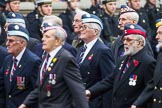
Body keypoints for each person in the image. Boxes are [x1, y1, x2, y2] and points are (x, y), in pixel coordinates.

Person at [86, 24, 156, 108]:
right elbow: (110, 80)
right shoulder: (123, 59)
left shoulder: (148, 62)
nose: (125, 43)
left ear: (139, 43)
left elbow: (150, 89)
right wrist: (90, 91)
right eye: (124, 39)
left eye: (129, 40)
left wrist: (137, 104)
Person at [19, 25, 89, 108]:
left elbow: (77, 89)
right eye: (43, 36)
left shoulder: (66, 58)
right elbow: (40, 86)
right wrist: (25, 103)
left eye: (47, 37)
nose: (43, 39)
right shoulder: (46, 57)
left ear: (58, 41)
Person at [76, 13, 115, 108]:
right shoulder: (81, 49)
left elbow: (109, 79)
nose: (81, 30)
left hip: (94, 101)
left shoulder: (103, 51)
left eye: (84, 27)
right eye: (81, 27)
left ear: (95, 31)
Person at [0, 24, 41, 108]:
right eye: (7, 40)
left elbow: (37, 90)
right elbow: (2, 87)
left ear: (22, 43)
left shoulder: (33, 61)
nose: (7, 44)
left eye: (11, 41)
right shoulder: (7, 60)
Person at [131, 18, 162, 108]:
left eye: (160, 33)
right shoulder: (160, 56)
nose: (157, 37)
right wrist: (136, 104)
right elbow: (154, 83)